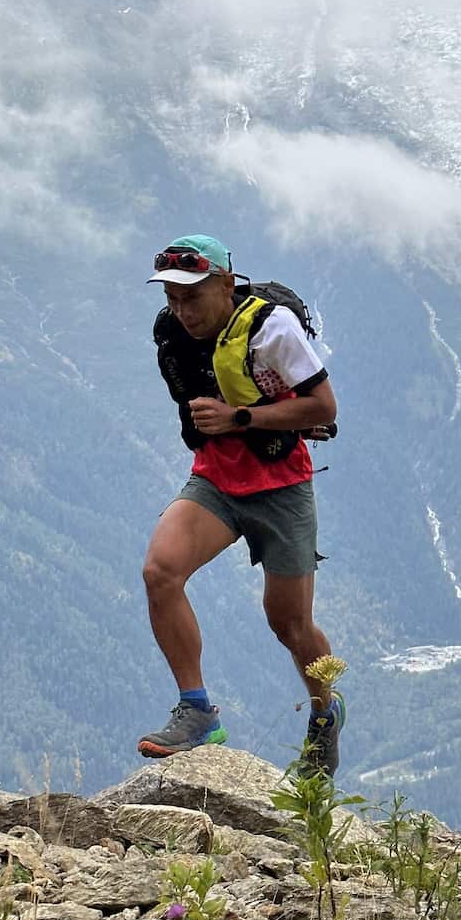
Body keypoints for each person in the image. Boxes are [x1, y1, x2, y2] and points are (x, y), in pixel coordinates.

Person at [139, 235, 344, 774]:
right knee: (160, 572)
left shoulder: (272, 329)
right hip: (217, 481)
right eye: (173, 300)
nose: (182, 312)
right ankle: (197, 709)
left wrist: (240, 419)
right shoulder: (173, 334)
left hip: (281, 487)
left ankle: (326, 713)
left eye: (194, 297)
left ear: (226, 285)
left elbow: (323, 406)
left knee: (291, 627)